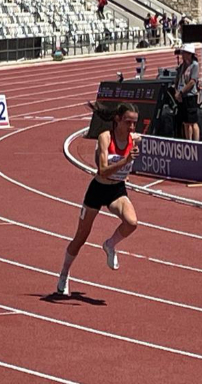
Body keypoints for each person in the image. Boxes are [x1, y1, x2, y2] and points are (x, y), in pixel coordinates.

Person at [56, 102, 141, 296]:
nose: (131, 127)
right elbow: (102, 169)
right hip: (98, 189)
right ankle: (64, 273)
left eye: (134, 123)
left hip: (117, 190)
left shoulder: (133, 139)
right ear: (117, 120)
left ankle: (110, 244)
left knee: (132, 222)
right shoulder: (105, 137)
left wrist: (126, 169)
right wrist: (125, 162)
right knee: (81, 237)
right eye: (128, 122)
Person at [174, 44, 200, 141]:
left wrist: (181, 92)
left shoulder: (195, 65)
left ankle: (196, 141)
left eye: (184, 53)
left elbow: (192, 81)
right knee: (185, 122)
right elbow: (177, 80)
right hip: (182, 96)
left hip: (190, 96)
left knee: (192, 121)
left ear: (189, 54)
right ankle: (188, 140)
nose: (182, 55)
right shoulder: (181, 66)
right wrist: (176, 91)